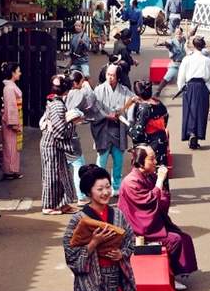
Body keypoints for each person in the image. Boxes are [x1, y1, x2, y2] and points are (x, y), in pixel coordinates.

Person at [118, 146, 197, 289]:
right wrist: (160, 181)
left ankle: (174, 273)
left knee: (184, 237)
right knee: (174, 240)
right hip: (137, 227)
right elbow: (148, 203)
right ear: (140, 162)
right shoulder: (131, 181)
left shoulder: (149, 176)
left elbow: (160, 199)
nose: (155, 162)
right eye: (151, 159)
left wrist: (161, 186)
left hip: (150, 222)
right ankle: (169, 276)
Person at [40, 75, 81, 215]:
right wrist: (73, 123)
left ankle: (62, 204)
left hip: (54, 144)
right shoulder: (57, 105)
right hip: (52, 143)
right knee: (52, 175)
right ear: (66, 90)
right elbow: (60, 131)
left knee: (61, 174)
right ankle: (49, 206)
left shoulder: (53, 100)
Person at [92, 64, 134, 195]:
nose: (110, 77)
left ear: (118, 77)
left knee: (118, 161)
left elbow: (131, 102)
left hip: (118, 129)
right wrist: (106, 115)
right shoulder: (98, 90)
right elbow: (95, 107)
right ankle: (98, 186)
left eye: (113, 75)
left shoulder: (124, 90)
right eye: (108, 75)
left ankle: (116, 186)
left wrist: (127, 114)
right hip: (103, 129)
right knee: (101, 162)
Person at [176, 36, 210, 149]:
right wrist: (209, 88)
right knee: (201, 112)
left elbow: (181, 75)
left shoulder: (187, 59)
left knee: (189, 111)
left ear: (193, 45)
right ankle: (197, 135)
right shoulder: (206, 60)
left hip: (189, 86)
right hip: (202, 86)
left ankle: (190, 133)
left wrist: (181, 87)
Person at [66, 69, 100, 198]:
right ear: (76, 83)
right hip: (70, 135)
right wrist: (87, 87)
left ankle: (66, 197)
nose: (82, 84)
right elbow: (91, 102)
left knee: (64, 167)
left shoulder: (65, 94)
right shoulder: (77, 93)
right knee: (78, 165)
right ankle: (81, 196)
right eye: (81, 82)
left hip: (60, 135)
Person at [126, 80, 170, 166]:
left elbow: (137, 134)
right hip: (161, 140)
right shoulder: (158, 103)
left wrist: (127, 127)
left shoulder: (144, 108)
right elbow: (165, 119)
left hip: (150, 146)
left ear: (138, 95)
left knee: (150, 170)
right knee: (160, 168)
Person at [1, 62, 24, 180]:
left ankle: (13, 169)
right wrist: (14, 123)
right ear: (12, 73)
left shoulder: (10, 86)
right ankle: (9, 171)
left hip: (15, 118)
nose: (20, 73)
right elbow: (11, 108)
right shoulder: (9, 88)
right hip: (11, 121)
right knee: (10, 147)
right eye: (18, 71)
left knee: (13, 147)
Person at [155, 26, 188, 98]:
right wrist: (160, 44)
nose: (178, 35)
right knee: (167, 77)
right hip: (175, 64)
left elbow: (191, 33)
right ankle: (158, 91)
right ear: (175, 34)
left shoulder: (184, 39)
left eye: (179, 33)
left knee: (188, 78)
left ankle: (188, 91)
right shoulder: (172, 41)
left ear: (182, 33)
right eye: (177, 33)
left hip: (183, 64)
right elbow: (166, 43)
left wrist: (196, 27)